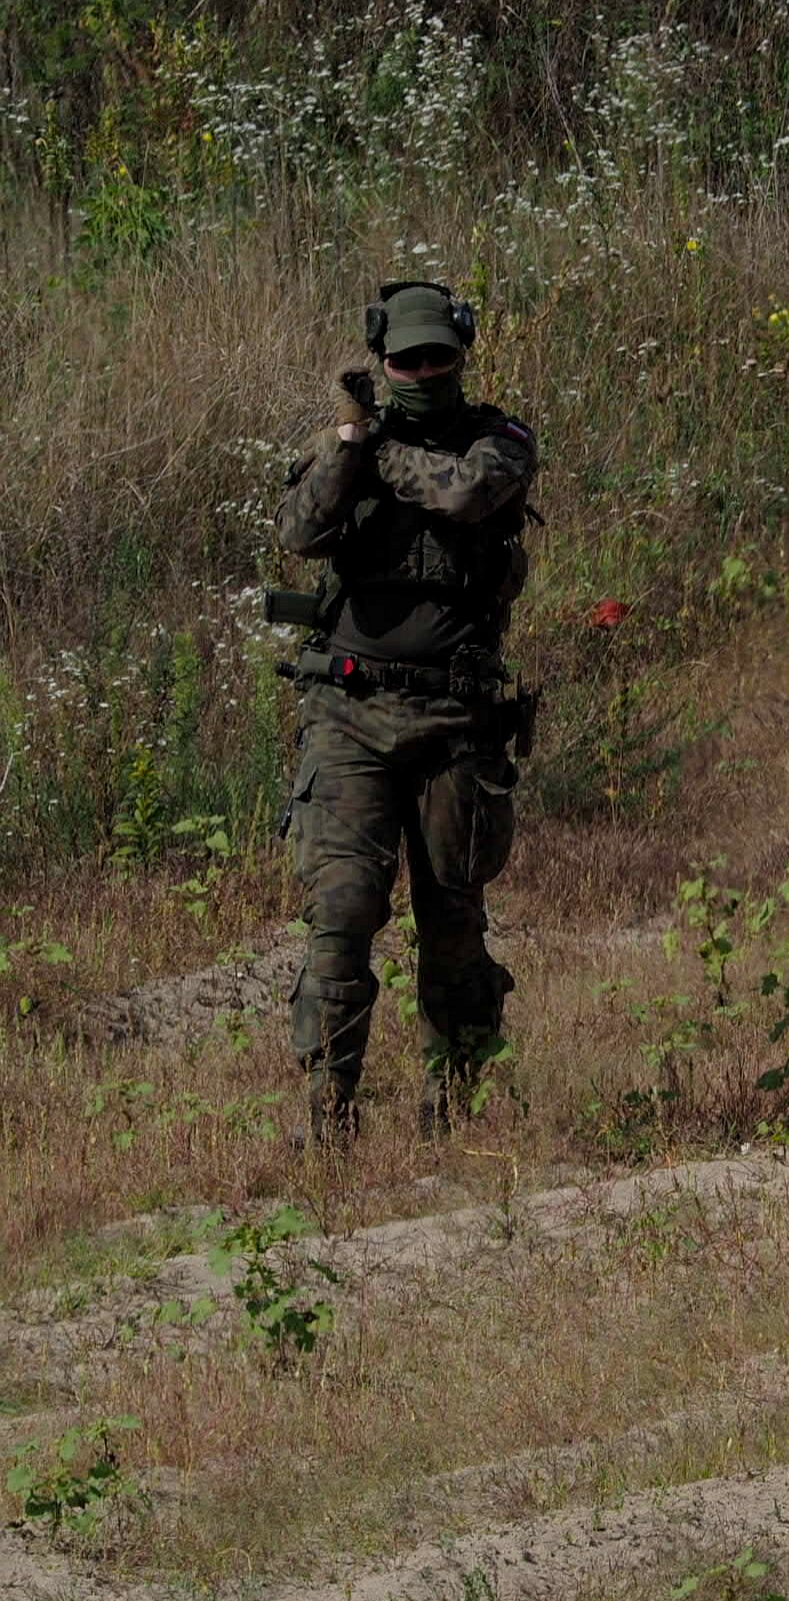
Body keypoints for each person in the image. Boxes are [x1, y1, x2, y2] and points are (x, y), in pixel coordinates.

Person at [271, 280, 538, 1143]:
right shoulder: (349, 444)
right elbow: (300, 532)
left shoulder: (499, 442)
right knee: (341, 916)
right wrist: (349, 442)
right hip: (349, 714)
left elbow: (463, 495)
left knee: (453, 925)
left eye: (437, 357)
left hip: (455, 723)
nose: (422, 371)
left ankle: (454, 1117)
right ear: (382, 363)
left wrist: (376, 449)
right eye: (405, 360)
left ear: (461, 354)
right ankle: (328, 1115)